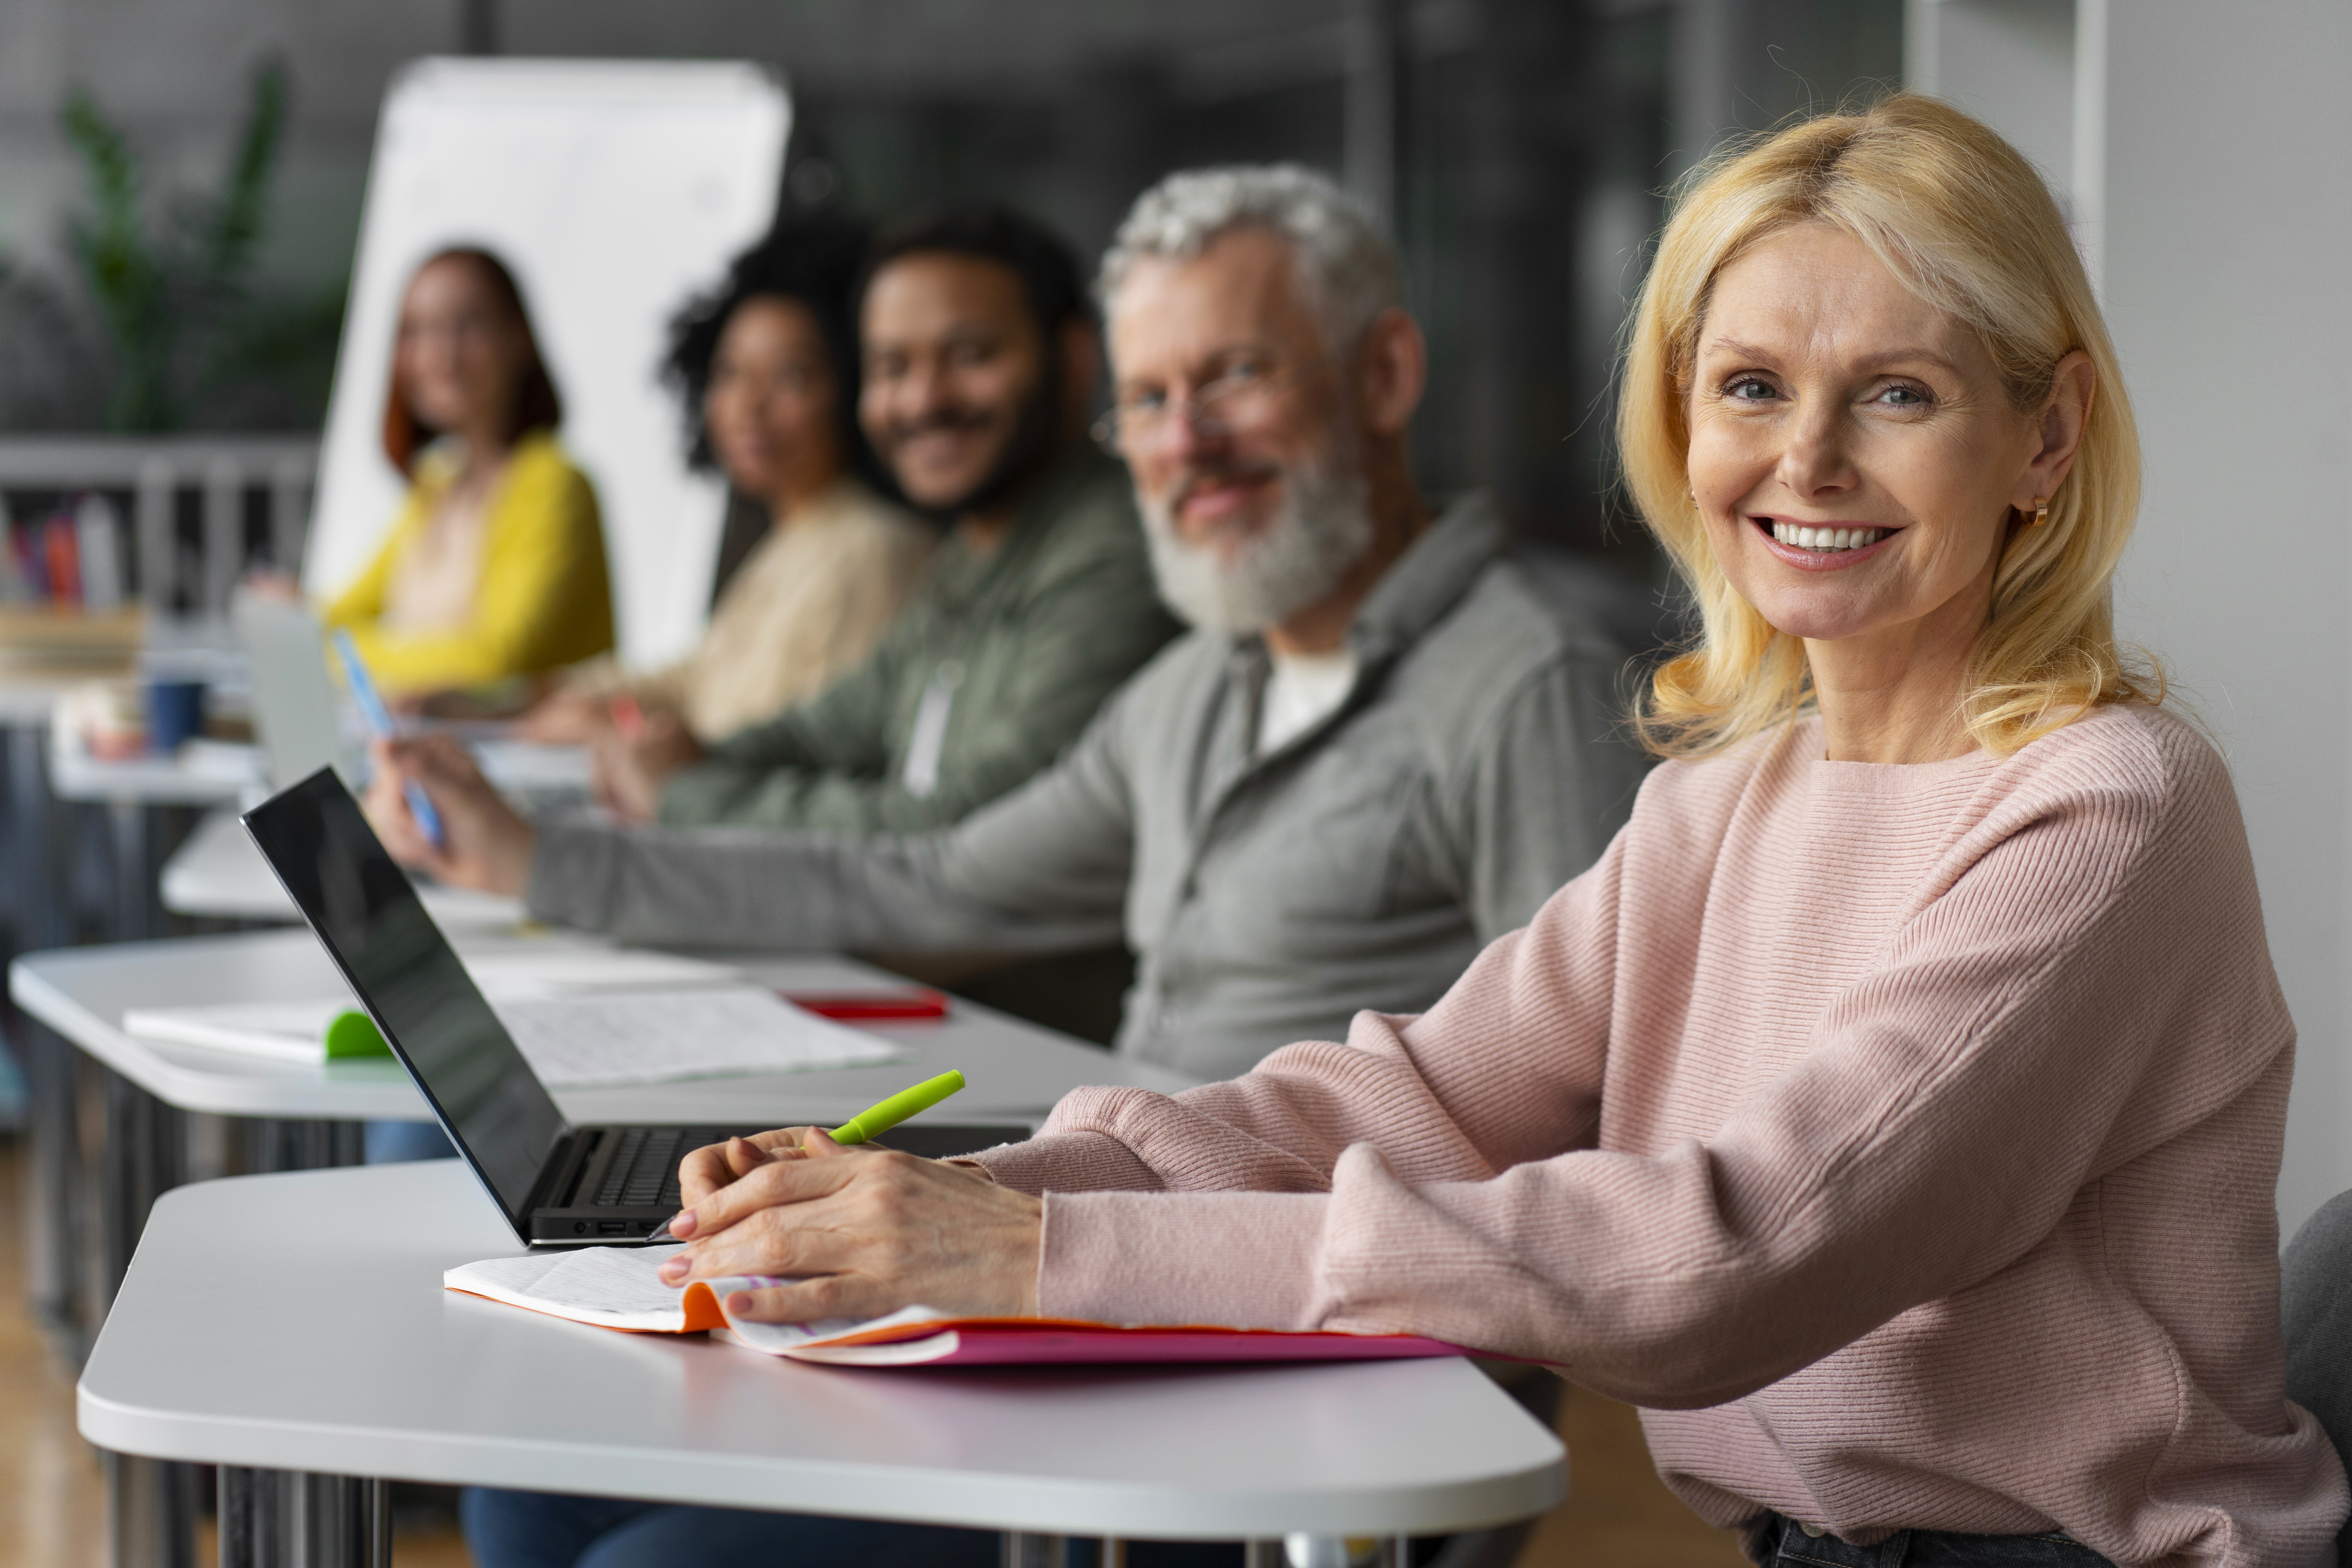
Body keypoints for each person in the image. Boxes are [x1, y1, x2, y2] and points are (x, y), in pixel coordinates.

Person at [620, 100, 2352, 1568]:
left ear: (2042, 435)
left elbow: (1728, 1256)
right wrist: (961, 1188)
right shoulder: (1724, 800)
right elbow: (1402, 1097)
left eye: (1896, 393)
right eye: (1750, 385)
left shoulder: (2105, 808)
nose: (1805, 458)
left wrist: (1042, 1258)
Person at [369, 164, 1655, 1082]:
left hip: (1297, 1352)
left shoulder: (1526, 682)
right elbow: (931, 880)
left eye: (1237, 376)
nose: (1184, 444)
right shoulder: (1212, 683)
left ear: (1384, 376)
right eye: (1150, 399)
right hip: (1120, 1239)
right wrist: (535, 860)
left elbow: (1574, 1114)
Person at [581, 203, 1180, 834]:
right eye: (892, 367)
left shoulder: (1113, 554)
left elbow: (977, 828)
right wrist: (683, 760)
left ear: (1077, 357)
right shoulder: (974, 554)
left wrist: (686, 794)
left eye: (971, 354)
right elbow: (828, 729)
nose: (924, 399)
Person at [519, 222, 937, 748]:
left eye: (791, 375)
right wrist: (544, 697)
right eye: (730, 373)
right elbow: (696, 676)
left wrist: (618, 733)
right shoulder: (797, 538)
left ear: (857, 383)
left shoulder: (871, 551)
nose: (750, 405)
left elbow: (803, 756)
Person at [321, 247, 613, 702]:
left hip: (532, 762)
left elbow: (497, 659)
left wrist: (345, 657)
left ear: (519, 338)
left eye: (469, 325)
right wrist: (290, 618)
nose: (441, 353)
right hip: (441, 750)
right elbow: (337, 617)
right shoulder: (438, 483)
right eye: (418, 331)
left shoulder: (553, 483)